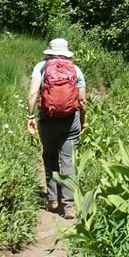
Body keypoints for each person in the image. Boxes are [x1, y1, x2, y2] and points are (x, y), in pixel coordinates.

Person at [26, 38, 86, 218]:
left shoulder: (41, 67)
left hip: (47, 118)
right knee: (68, 160)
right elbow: (82, 101)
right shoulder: (75, 70)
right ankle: (69, 206)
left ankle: (53, 200)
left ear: (49, 52)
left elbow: (33, 94)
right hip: (70, 120)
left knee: (50, 155)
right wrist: (82, 121)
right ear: (67, 53)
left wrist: (30, 116)